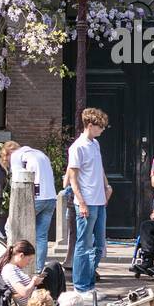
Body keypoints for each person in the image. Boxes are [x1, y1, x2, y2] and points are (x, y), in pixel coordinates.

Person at [66, 107, 113, 295]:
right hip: (87, 202)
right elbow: (73, 178)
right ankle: (81, 285)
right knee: (84, 245)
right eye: (100, 127)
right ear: (90, 125)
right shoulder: (77, 147)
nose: (102, 130)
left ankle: (89, 281)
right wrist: (82, 202)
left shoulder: (95, 144)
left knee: (100, 245)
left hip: (99, 201)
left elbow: (98, 168)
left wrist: (107, 185)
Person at [1, 140, 57, 268]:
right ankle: (38, 269)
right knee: (41, 236)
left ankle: (12, 265)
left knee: (11, 227)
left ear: (9, 153)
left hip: (36, 198)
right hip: (51, 198)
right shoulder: (40, 154)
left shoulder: (16, 155)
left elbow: (17, 179)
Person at [0, 240, 43, 306]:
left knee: (53, 268)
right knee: (54, 267)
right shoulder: (10, 270)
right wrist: (33, 281)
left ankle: (58, 305)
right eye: (29, 259)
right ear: (21, 255)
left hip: (35, 297)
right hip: (33, 303)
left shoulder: (14, 268)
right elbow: (24, 292)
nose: (29, 263)